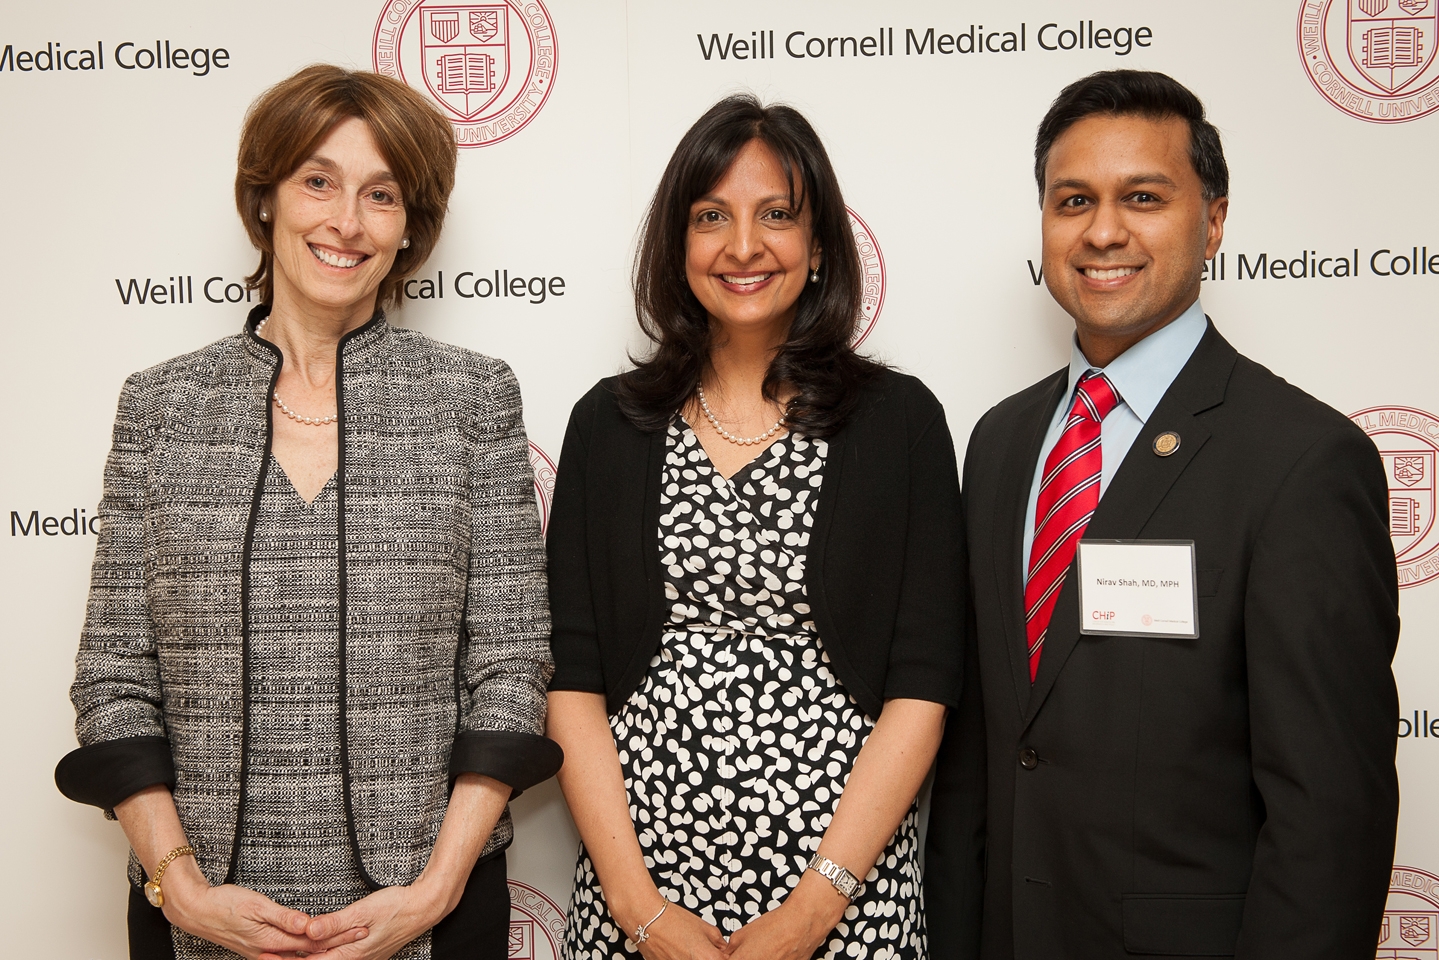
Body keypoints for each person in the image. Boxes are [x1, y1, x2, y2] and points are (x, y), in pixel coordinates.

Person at [54, 64, 561, 960]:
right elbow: (114, 679)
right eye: (317, 182)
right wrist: (184, 889)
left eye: (381, 194)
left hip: (429, 918)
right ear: (265, 200)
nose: (346, 221)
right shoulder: (161, 407)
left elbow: (512, 667)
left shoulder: (471, 398)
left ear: (410, 229)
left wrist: (434, 893)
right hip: (200, 921)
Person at [924, 69, 1400, 959]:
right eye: (1073, 201)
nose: (1103, 231)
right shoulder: (999, 443)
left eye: (1142, 197)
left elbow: (1328, 817)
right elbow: (980, 762)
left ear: (1213, 221)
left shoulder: (1300, 462)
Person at [545, 94, 965, 960]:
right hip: (643, 895)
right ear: (677, 245)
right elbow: (572, 678)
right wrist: (638, 909)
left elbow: (921, 687)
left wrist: (814, 911)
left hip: (847, 896)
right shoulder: (608, 425)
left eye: (776, 215)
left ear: (817, 248)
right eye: (711, 217)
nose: (743, 246)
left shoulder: (899, 423)